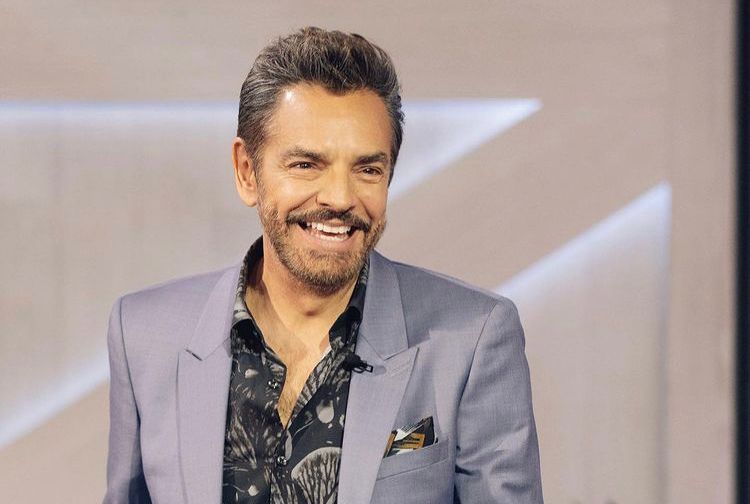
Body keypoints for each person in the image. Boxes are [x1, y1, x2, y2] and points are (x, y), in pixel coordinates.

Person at [104, 27, 543, 504]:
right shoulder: (144, 335)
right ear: (247, 171)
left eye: (367, 169)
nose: (339, 197)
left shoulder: (473, 337)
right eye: (306, 165)